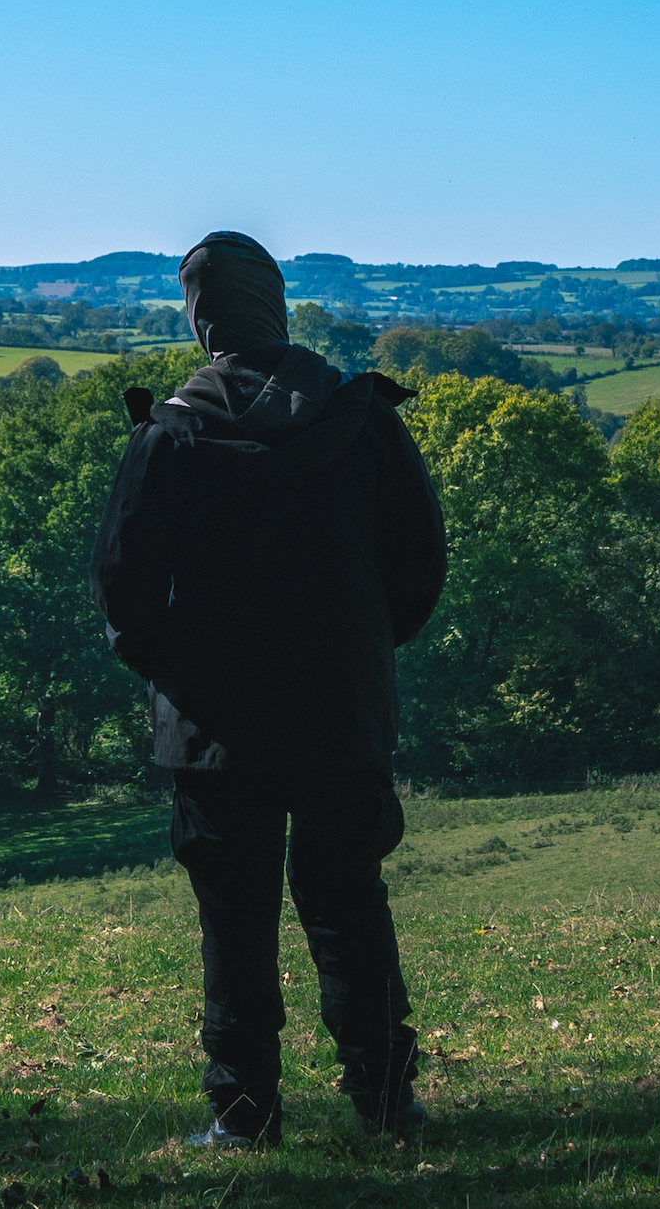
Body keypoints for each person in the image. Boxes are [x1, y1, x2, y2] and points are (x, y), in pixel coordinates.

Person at [90, 231, 447, 1148]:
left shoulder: (169, 437)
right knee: (348, 897)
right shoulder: (362, 419)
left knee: (235, 916)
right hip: (340, 709)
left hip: (217, 726)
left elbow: (124, 590)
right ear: (276, 304)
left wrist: (177, 672)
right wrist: (366, 651)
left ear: (202, 317)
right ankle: (385, 1101)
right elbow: (419, 565)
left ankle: (244, 1112)